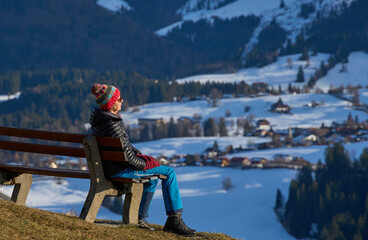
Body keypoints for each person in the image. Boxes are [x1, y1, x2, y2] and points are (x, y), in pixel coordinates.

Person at [89, 83, 196, 236]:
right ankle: (174, 220)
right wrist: (145, 164)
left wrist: (140, 156)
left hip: (111, 168)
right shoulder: (111, 125)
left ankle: (139, 217)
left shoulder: (102, 122)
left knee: (151, 179)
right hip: (121, 171)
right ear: (112, 103)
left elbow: (125, 148)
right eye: (119, 99)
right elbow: (129, 159)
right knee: (169, 173)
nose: (122, 101)